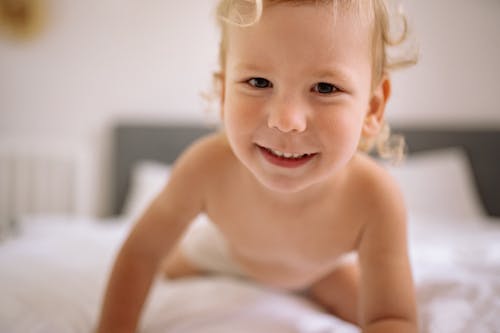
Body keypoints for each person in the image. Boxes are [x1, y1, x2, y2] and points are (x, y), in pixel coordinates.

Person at [96, 0, 419, 332]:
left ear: (372, 108)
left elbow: (392, 316)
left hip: (317, 271)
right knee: (171, 266)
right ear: (223, 95)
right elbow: (142, 254)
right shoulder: (206, 168)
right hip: (221, 253)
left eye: (325, 88)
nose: (286, 121)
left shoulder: (374, 198)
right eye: (259, 82)